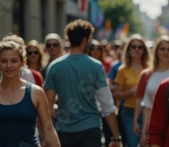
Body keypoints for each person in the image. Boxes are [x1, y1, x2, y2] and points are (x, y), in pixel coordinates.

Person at [44, 19, 121, 147]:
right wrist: (116, 137)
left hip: (64, 130)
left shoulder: (54, 66)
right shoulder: (96, 66)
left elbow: (47, 106)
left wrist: (46, 135)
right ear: (85, 40)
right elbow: (107, 105)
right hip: (90, 130)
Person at [0, 40, 60, 147]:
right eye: (4, 61)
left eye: (14, 61)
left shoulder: (36, 92)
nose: (9, 65)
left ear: (22, 63)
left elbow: (48, 130)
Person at [134, 35, 169, 146]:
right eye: (162, 49)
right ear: (156, 51)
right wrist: (144, 131)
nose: (166, 52)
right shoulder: (147, 74)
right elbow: (147, 106)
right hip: (154, 127)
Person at [113, 35, 151, 147]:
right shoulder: (122, 70)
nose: (137, 50)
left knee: (148, 144)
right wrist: (131, 91)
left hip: (148, 111)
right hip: (129, 111)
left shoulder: (150, 68)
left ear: (144, 50)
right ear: (128, 49)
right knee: (132, 144)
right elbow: (117, 95)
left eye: (140, 47)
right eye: (133, 47)